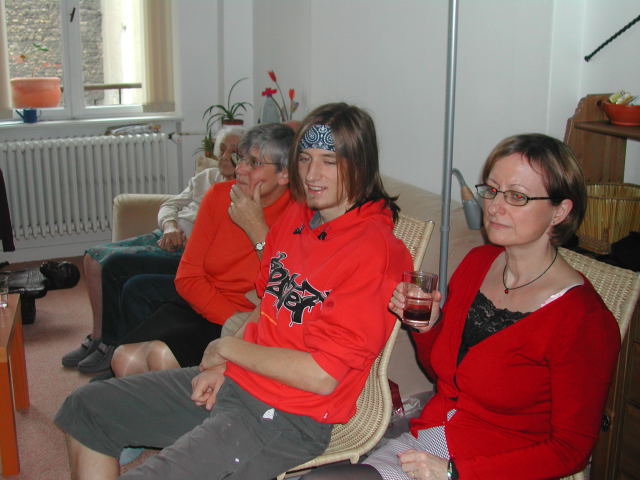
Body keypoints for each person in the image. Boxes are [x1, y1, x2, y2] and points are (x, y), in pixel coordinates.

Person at [54, 102, 412, 479]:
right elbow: (268, 306)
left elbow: (322, 375)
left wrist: (227, 348)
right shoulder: (300, 216)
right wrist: (226, 366)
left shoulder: (375, 253)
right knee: (85, 408)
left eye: (329, 161)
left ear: (360, 165)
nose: (311, 174)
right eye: (305, 158)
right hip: (239, 384)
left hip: (286, 418)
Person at [300, 133, 621, 480]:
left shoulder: (584, 320)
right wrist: (427, 326)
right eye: (492, 190)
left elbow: (571, 452)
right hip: (430, 440)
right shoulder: (478, 263)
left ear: (560, 210)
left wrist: (455, 473)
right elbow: (444, 375)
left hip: (497, 467)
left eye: (517, 196)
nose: (495, 207)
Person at [110, 123, 295, 376]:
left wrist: (256, 228)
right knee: (122, 358)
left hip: (250, 318)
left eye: (254, 163)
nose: (239, 169)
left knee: (161, 356)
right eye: (241, 158)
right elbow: (187, 277)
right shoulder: (218, 196)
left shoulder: (299, 215)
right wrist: (228, 318)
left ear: (284, 174)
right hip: (203, 306)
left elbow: (283, 284)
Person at [62, 126, 245, 373]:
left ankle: (110, 344)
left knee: (115, 265)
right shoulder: (206, 177)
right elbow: (170, 205)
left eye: (234, 153)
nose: (225, 157)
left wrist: (186, 239)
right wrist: (169, 226)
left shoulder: (240, 193)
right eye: (222, 150)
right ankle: (98, 337)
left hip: (184, 250)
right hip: (164, 235)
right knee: (92, 258)